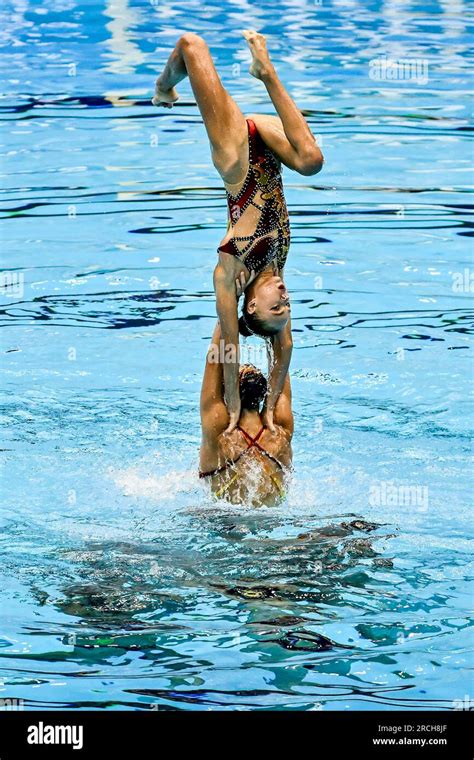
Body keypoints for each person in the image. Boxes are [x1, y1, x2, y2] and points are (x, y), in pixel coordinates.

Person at [153, 30, 322, 432]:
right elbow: (285, 345)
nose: (284, 295)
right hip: (272, 148)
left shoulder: (230, 269)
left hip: (239, 156)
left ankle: (163, 86)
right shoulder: (276, 267)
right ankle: (265, 72)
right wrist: (272, 402)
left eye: (276, 306)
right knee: (312, 161)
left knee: (191, 46)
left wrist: (232, 404)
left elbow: (229, 345)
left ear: (251, 307)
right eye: (287, 305)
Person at [199, 322, 293, 506]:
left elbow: (214, 362)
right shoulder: (279, 432)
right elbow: (281, 359)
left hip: (225, 526)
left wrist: (225, 311)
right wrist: (275, 315)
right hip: (273, 526)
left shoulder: (219, 435)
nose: (249, 366)